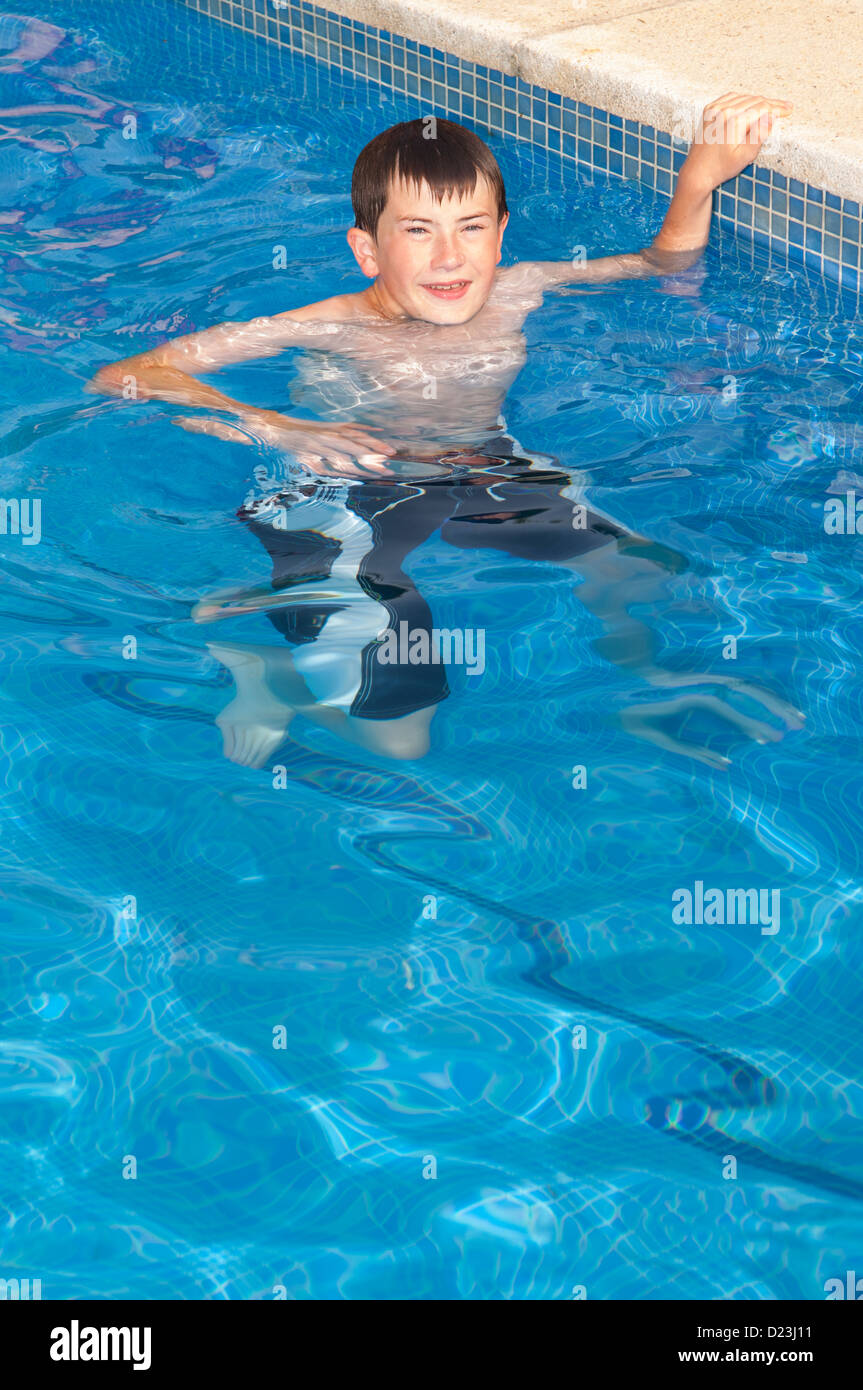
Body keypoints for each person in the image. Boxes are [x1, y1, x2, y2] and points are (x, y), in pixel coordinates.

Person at [88, 93, 803, 768]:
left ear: (499, 236)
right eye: (418, 232)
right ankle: (273, 672)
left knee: (644, 569)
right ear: (368, 252)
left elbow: (658, 264)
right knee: (400, 743)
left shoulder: (518, 289)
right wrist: (279, 429)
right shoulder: (327, 325)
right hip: (344, 486)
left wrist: (698, 179)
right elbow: (126, 375)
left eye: (470, 228)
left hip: (481, 464)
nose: (449, 258)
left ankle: (648, 686)